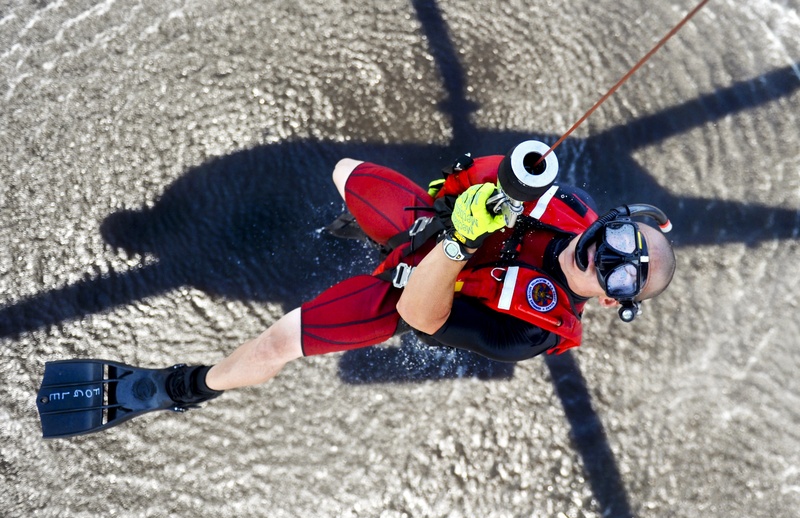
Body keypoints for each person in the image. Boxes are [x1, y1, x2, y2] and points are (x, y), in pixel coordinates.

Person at [35, 140, 677, 437]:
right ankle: (364, 229)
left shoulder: (530, 332)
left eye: (622, 274)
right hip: (428, 229)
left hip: (409, 287)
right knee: (343, 171)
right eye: (619, 239)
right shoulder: (566, 201)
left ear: (610, 300)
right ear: (614, 219)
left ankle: (183, 388)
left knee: (275, 343)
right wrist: (475, 192)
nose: (608, 256)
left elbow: (421, 314)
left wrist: (457, 241)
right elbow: (464, 182)